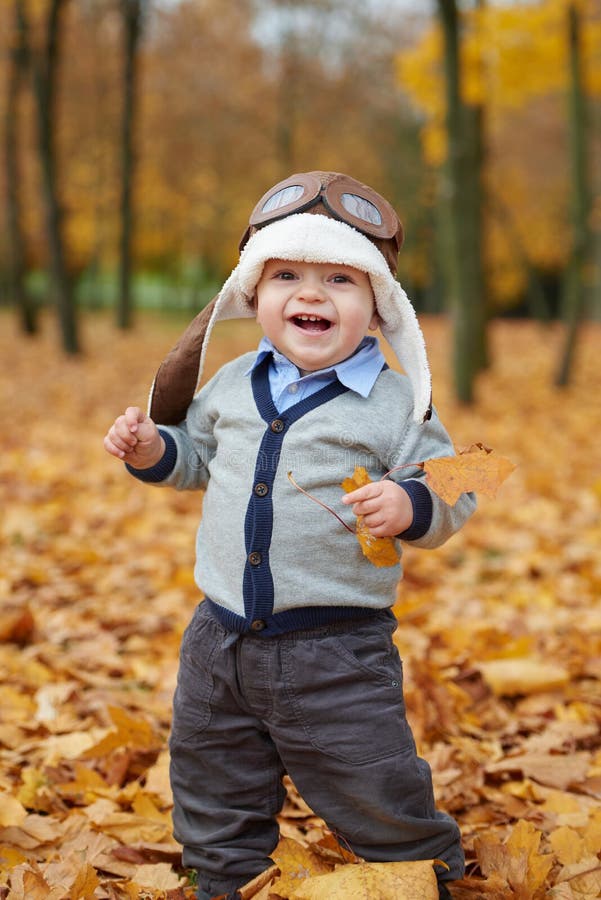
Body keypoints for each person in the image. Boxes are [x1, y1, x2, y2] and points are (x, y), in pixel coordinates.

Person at [104, 172, 476, 900]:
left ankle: (426, 872)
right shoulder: (237, 382)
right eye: (287, 276)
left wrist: (409, 502)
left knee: (373, 781)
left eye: (339, 277)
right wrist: (153, 451)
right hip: (217, 641)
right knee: (211, 775)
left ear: (377, 307)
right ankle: (224, 876)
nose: (310, 294)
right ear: (253, 294)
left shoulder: (401, 402)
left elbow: (463, 481)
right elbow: (199, 460)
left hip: (335, 651)